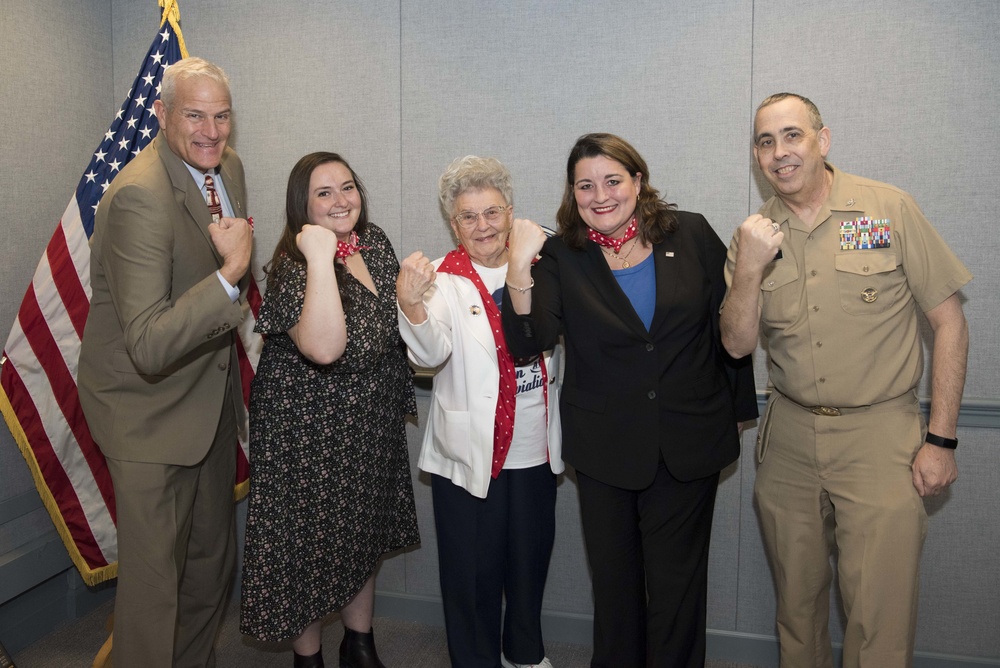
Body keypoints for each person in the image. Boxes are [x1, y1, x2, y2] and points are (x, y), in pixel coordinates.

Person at [720, 93, 972, 667]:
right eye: (765, 141)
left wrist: (942, 438)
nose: (779, 152)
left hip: (881, 434)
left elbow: (949, 320)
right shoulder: (755, 236)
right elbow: (735, 343)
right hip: (789, 438)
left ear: (822, 140)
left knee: (878, 612)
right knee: (796, 606)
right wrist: (751, 271)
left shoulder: (887, 210)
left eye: (792, 135)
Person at [503, 133, 757, 668]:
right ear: (572, 195)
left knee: (677, 591)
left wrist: (737, 410)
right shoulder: (561, 256)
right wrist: (519, 265)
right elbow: (530, 341)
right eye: (585, 185)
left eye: (613, 180)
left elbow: (727, 325)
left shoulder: (690, 233)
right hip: (605, 449)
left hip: (688, 440)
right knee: (616, 590)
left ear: (638, 182)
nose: (601, 196)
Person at [77, 57, 253, 667]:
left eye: (222, 115)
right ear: (161, 115)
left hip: (205, 400)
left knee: (210, 566)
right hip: (145, 414)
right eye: (195, 115)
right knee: (154, 591)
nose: (212, 131)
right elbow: (148, 343)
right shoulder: (138, 198)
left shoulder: (224, 167)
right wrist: (233, 274)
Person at [240, 152, 419, 668]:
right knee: (309, 553)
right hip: (309, 437)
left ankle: (359, 645)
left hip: (370, 424)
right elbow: (324, 349)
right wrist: (321, 256)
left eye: (347, 187)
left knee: (363, 536)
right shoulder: (295, 269)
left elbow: (399, 321)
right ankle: (309, 658)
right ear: (303, 207)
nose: (341, 201)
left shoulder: (376, 242)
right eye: (324, 193)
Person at [396, 156, 563, 668]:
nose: (483, 226)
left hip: (535, 447)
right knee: (472, 574)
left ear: (511, 213)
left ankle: (525, 654)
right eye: (468, 216)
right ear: (454, 224)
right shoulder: (443, 280)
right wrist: (411, 305)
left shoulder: (544, 264)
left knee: (529, 565)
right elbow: (429, 355)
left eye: (492, 212)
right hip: (468, 453)